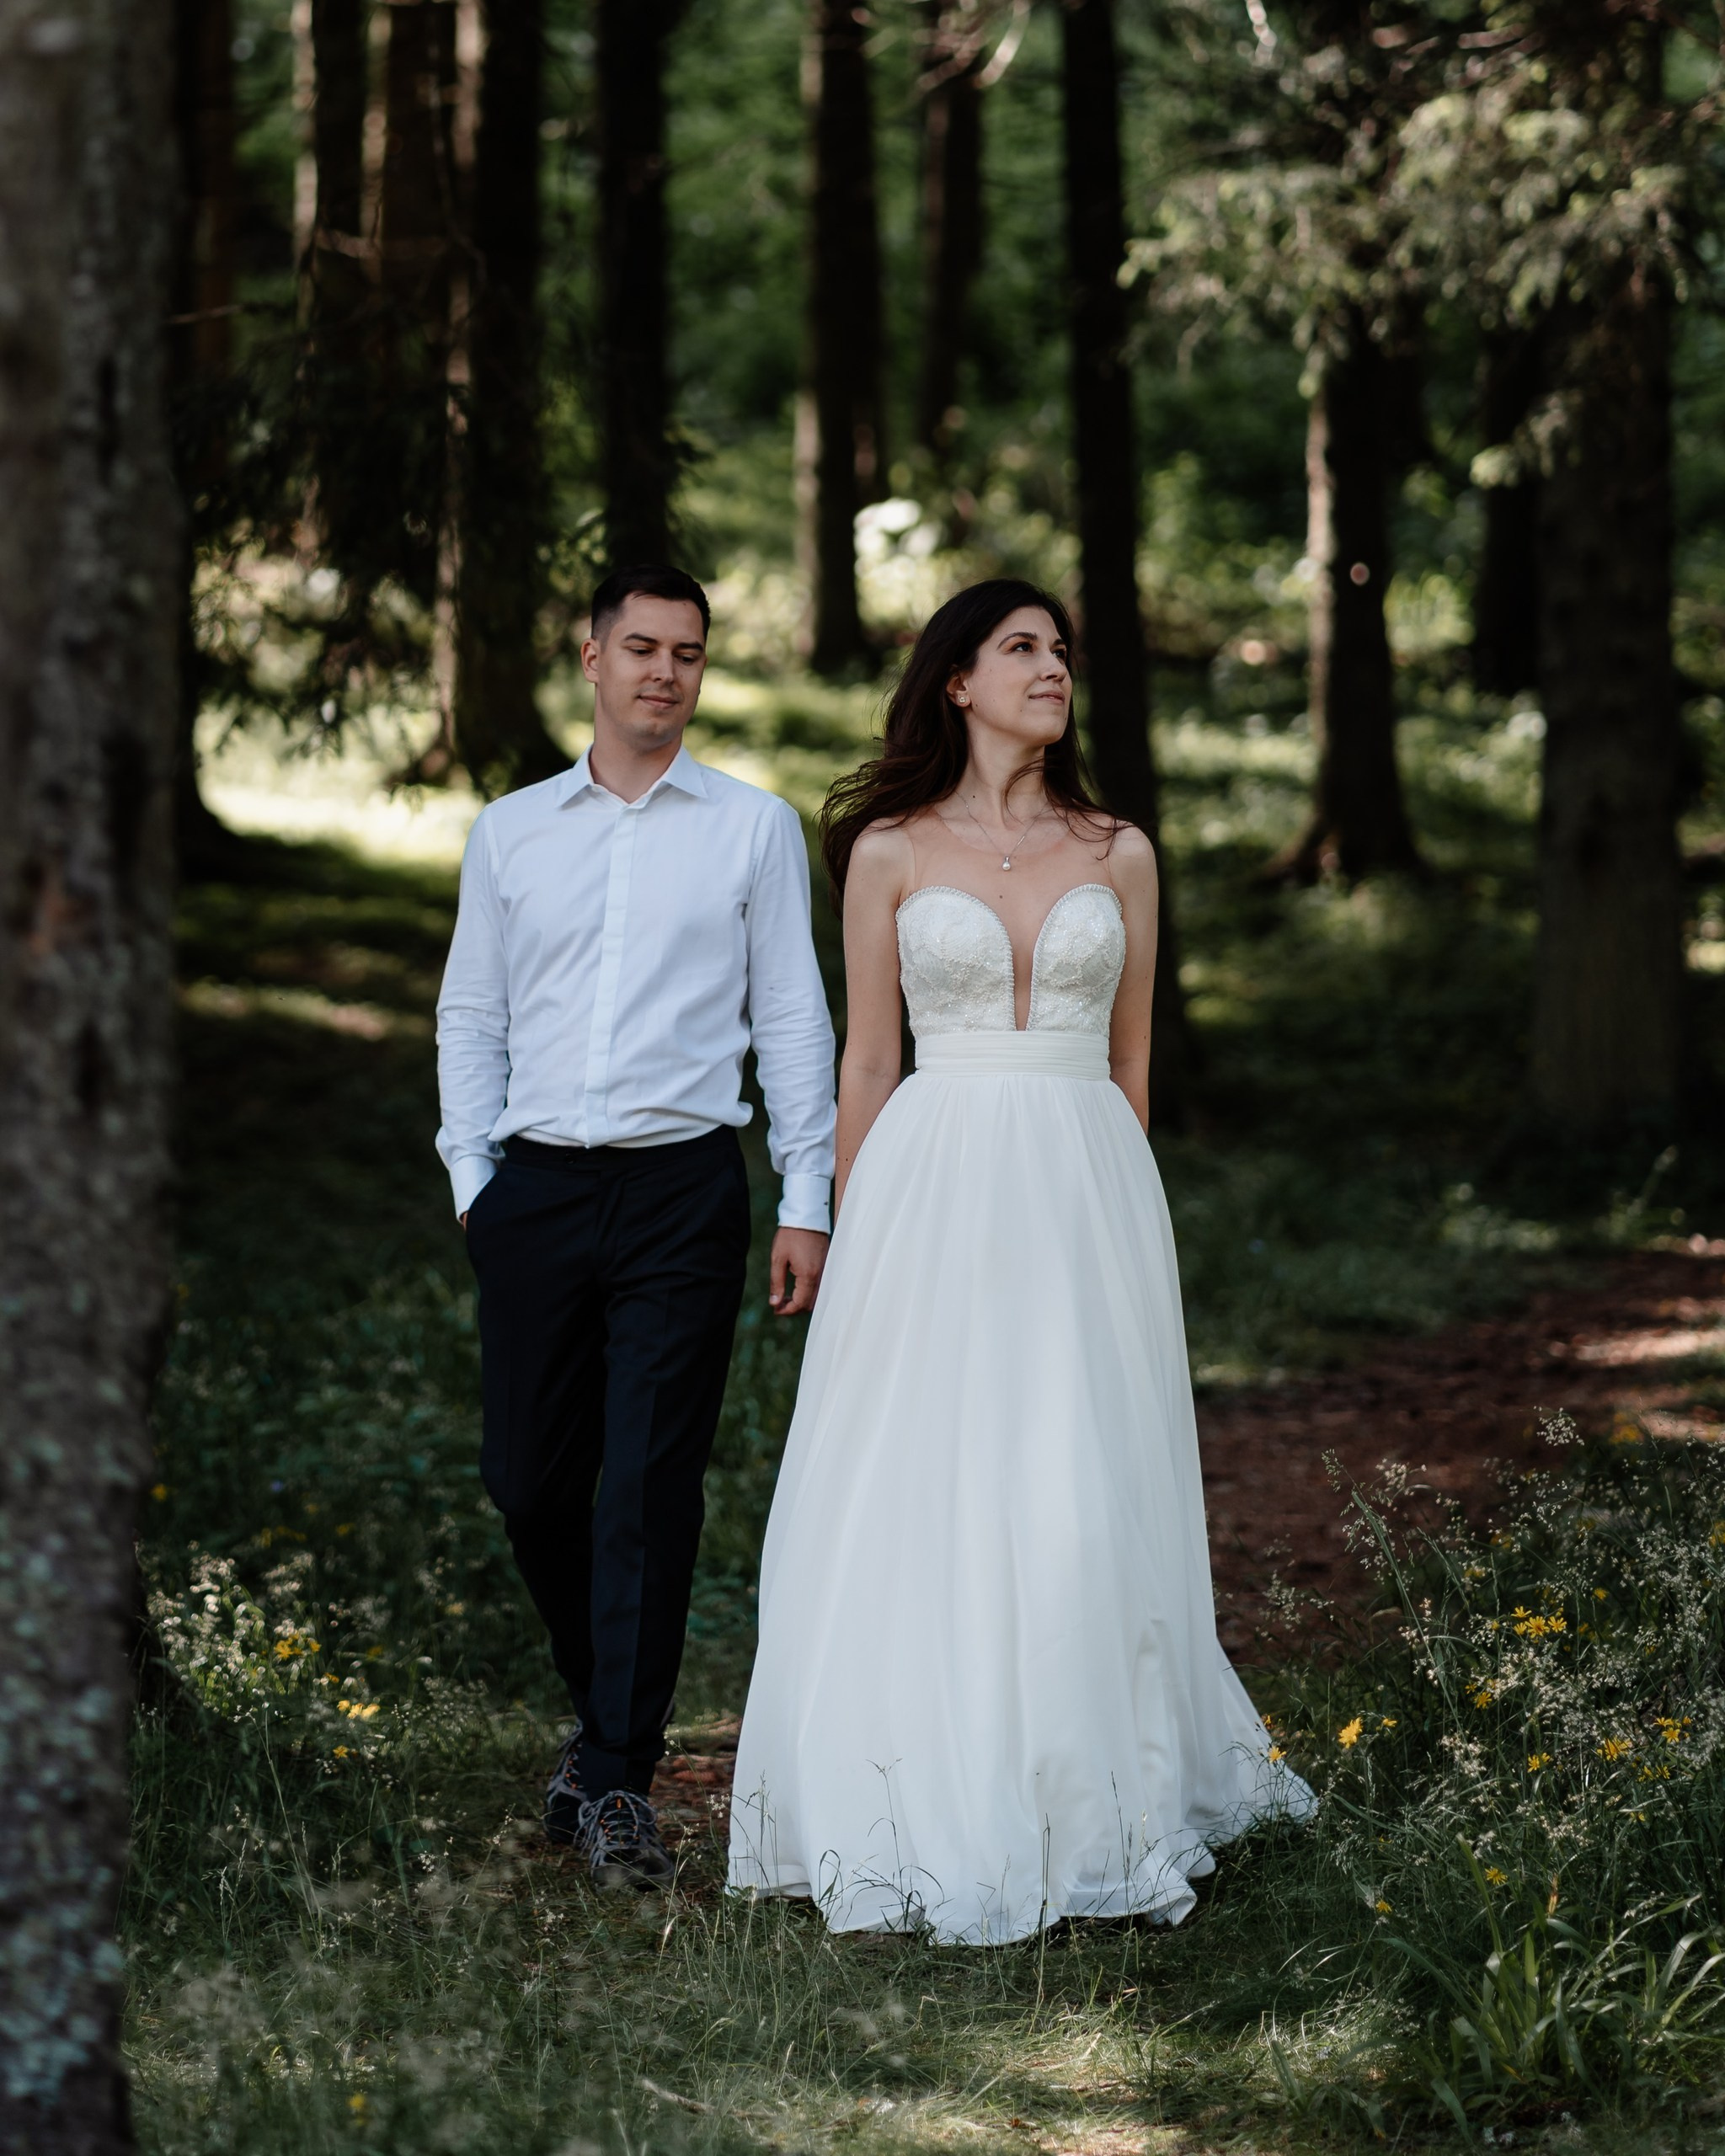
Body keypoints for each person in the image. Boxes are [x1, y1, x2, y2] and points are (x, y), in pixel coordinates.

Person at [728, 579, 1314, 1942]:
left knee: (1076, 1472)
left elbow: (1132, 1063)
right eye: (1023, 647)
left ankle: (1093, 1783)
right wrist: (849, 1228)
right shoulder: (887, 850)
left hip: (1082, 1183)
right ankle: (913, 1776)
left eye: (1063, 647)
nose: (1054, 668)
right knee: (929, 1471)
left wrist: (1118, 1214)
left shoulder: (1120, 852)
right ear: (957, 680)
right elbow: (869, 1059)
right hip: (932, 1178)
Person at [436, 563, 835, 1888]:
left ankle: (614, 1773)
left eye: (690, 654)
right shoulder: (511, 832)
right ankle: (603, 1715)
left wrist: (808, 1198)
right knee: (529, 1483)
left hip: (683, 1189)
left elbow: (792, 1022)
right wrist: (473, 1183)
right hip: (535, 1193)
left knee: (647, 1492)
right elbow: (471, 1016)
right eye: (644, 648)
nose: (667, 671)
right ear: (593, 659)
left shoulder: (752, 829)